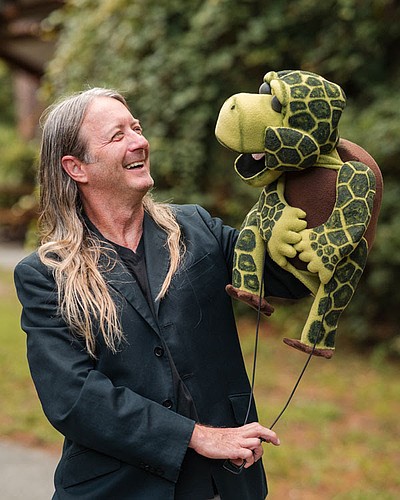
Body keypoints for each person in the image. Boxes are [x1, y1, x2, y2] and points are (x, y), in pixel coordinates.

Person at [14, 88, 308, 500]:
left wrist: (318, 175)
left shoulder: (199, 228)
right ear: (76, 167)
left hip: (223, 485)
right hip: (116, 489)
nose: (139, 141)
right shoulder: (46, 274)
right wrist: (194, 436)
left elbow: (291, 276)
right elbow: (73, 398)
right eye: (117, 135)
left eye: (136, 127)